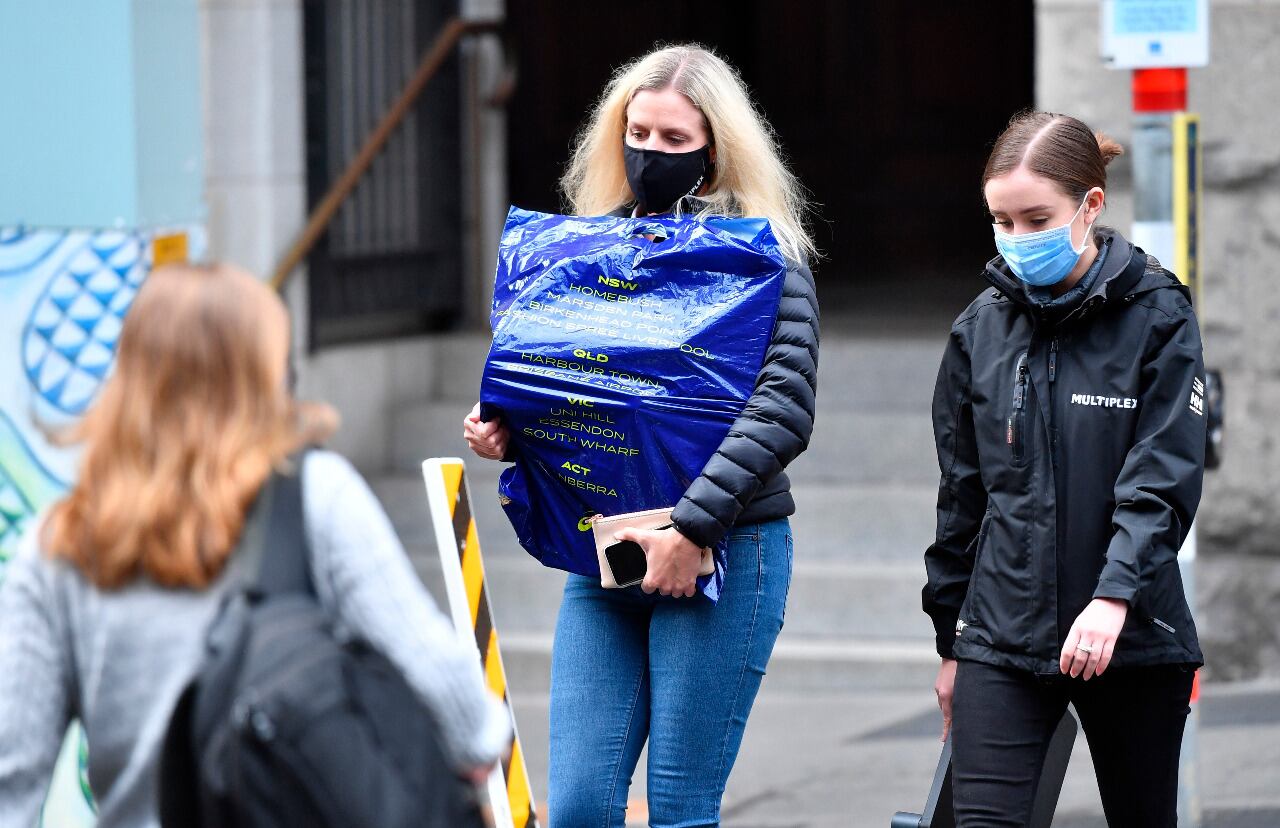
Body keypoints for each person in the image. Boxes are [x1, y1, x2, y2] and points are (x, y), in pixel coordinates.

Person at [0, 263, 509, 826]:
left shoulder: (61, 546)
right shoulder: (315, 496)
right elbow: (449, 694)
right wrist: (482, 745)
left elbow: (12, 775)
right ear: (266, 378)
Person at [464, 44, 819, 827]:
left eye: (673, 140)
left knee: (679, 809)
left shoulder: (767, 259)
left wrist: (693, 528)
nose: (650, 153)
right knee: (582, 807)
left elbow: (784, 407)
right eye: (639, 133)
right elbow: (584, 394)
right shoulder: (585, 253)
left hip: (723, 547)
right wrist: (512, 432)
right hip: (607, 552)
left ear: (716, 152)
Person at [922, 111, 1206, 826]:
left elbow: (1163, 477)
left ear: (1091, 206)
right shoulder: (979, 329)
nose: (1018, 239)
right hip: (1001, 641)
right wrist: (951, 643)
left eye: (1036, 218)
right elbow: (961, 499)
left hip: (1132, 636)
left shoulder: (1159, 315)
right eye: (1002, 220)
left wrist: (1114, 598)